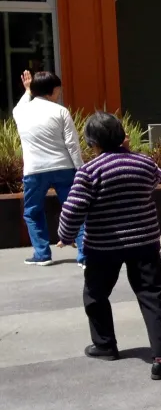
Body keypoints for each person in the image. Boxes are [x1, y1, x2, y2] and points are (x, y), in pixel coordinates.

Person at [57, 112, 161, 380]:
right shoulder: (144, 163)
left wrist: (66, 235)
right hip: (144, 243)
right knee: (153, 298)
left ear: (92, 142)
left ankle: (105, 345)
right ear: (122, 137)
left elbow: (73, 210)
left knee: (95, 295)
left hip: (103, 246)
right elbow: (157, 177)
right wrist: (129, 153)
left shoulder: (89, 171)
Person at [13, 70, 86, 268]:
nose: (60, 94)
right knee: (75, 210)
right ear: (52, 91)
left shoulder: (20, 111)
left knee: (33, 212)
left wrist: (28, 90)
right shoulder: (60, 111)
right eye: (58, 90)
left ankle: (42, 253)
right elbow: (72, 144)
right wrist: (80, 169)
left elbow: (22, 102)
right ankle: (84, 255)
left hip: (34, 170)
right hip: (64, 167)